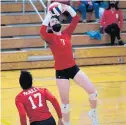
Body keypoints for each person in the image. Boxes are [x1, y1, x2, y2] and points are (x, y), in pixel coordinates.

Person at [40, 3, 98, 125]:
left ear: (60, 22)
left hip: (73, 69)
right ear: (50, 26)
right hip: (61, 73)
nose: (54, 21)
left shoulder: (67, 34)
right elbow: (41, 30)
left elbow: (76, 18)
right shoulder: (50, 38)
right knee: (65, 104)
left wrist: (68, 8)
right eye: (52, 21)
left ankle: (93, 114)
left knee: (93, 93)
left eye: (56, 19)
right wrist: (49, 15)